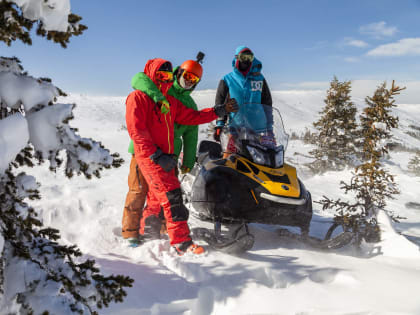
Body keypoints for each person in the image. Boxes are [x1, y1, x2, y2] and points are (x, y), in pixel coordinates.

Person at [125, 58, 237, 255]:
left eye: (167, 76)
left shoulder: (169, 101)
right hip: (149, 156)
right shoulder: (138, 98)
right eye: (160, 75)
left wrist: (218, 111)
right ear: (152, 75)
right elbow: (137, 133)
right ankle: (178, 241)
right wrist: (156, 155)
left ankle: (149, 230)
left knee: (157, 198)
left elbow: (192, 118)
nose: (164, 80)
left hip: (166, 156)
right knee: (168, 196)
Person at [121, 56, 205, 246]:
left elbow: (191, 135)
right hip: (144, 151)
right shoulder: (163, 89)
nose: (188, 82)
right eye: (186, 77)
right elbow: (139, 79)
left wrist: (188, 162)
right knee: (138, 191)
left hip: (170, 155)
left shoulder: (190, 105)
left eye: (193, 80)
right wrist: (157, 96)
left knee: (164, 196)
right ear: (178, 73)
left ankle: (156, 229)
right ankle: (131, 232)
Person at [213, 46, 273, 157]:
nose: (246, 60)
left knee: (259, 161)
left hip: (258, 130)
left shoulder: (259, 79)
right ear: (237, 58)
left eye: (249, 57)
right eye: (243, 57)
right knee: (229, 160)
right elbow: (220, 104)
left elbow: (267, 103)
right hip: (235, 129)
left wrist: (269, 129)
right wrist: (220, 124)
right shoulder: (227, 80)